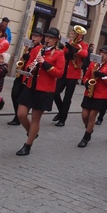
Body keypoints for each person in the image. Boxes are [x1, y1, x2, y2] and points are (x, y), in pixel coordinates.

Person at [15, 27, 65, 156]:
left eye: (51, 38)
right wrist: (30, 67)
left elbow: (59, 73)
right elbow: (28, 64)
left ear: (56, 40)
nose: (47, 39)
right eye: (46, 37)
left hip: (44, 90)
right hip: (31, 86)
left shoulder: (59, 53)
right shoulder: (37, 49)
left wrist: (45, 64)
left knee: (36, 118)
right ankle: (32, 132)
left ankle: (28, 145)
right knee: (21, 114)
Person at [77, 45, 107, 148]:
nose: (102, 55)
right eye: (101, 52)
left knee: (91, 116)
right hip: (89, 92)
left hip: (100, 94)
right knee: (84, 115)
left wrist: (103, 76)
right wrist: (85, 82)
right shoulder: (93, 63)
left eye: (105, 53)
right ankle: (89, 129)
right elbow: (86, 76)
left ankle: (86, 137)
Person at [7, 28, 44, 126]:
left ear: (40, 38)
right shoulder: (30, 47)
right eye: (33, 36)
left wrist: (29, 61)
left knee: (19, 96)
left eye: (36, 36)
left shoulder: (40, 48)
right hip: (21, 73)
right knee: (14, 94)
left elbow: (36, 61)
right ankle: (17, 115)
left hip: (27, 76)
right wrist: (24, 57)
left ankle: (18, 117)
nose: (34, 38)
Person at [53, 27, 88, 127]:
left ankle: (62, 119)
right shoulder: (70, 41)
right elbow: (63, 52)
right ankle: (61, 111)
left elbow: (85, 54)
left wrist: (74, 48)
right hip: (64, 71)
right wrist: (64, 47)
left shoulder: (83, 44)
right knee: (55, 93)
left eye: (77, 33)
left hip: (73, 74)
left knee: (67, 98)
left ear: (81, 35)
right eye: (74, 32)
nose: (74, 34)